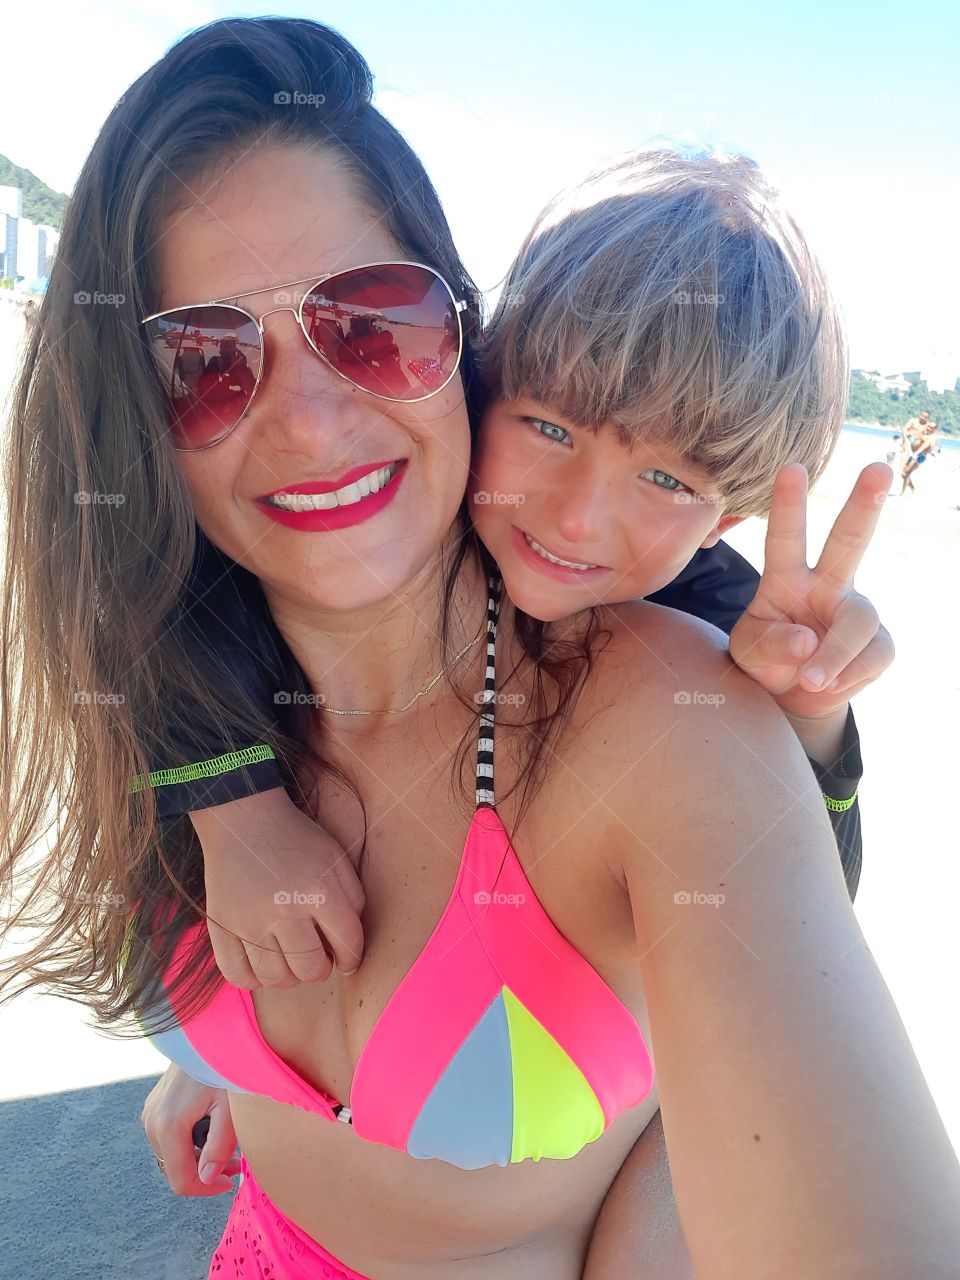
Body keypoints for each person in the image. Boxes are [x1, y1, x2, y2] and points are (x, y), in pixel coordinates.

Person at [2, 17, 958, 1280]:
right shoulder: (163, 633)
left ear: (459, 332)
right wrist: (229, 1051)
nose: (312, 418)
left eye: (371, 320)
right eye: (204, 361)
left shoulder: (679, 711)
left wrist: (815, 727)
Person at [899, 409, 939, 495]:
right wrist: (905, 440)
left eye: (931, 427)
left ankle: (906, 491)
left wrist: (915, 454)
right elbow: (907, 431)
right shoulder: (925, 432)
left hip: (920, 455)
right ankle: (908, 490)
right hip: (914, 453)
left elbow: (926, 445)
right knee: (905, 473)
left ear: (935, 429)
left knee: (905, 472)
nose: (929, 428)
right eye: (929, 426)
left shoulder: (932, 437)